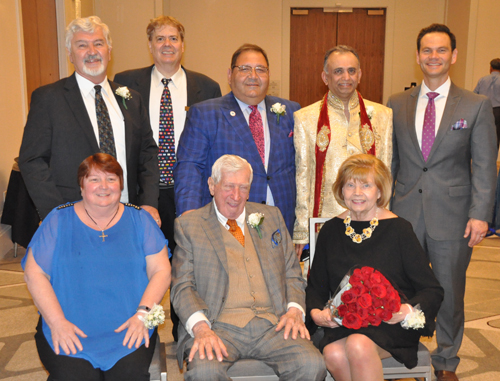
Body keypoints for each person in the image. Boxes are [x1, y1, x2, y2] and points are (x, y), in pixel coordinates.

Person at [388, 24, 497, 381]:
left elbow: (484, 165)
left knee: (450, 290)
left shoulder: (476, 105)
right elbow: (391, 162)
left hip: (453, 216)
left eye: (441, 50)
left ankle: (446, 360)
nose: (433, 56)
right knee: (401, 286)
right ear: (417, 55)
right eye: (426, 50)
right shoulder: (397, 103)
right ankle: (404, 351)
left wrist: (480, 215)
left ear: (453, 55)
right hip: (403, 213)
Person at [114, 15, 221, 342]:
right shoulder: (124, 83)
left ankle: (184, 328)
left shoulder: (207, 87)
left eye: (173, 38)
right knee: (142, 260)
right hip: (143, 190)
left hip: (190, 191)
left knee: (189, 262)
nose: (167, 45)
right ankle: (138, 329)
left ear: (183, 45)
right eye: (159, 39)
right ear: (150, 45)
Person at [171, 154, 326, 381]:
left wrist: (294, 311)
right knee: (205, 372)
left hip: (273, 324)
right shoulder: (189, 225)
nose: (236, 196)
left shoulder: (270, 216)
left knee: (312, 365)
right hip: (217, 326)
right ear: (212, 186)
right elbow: (182, 286)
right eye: (229, 187)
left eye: (243, 187)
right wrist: (201, 329)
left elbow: (292, 273)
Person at [22, 153, 171, 380]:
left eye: (111, 179)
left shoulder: (140, 220)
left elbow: (161, 271)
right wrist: (57, 322)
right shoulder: (57, 219)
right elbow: (35, 274)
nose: (104, 186)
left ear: (120, 185)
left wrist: (143, 315)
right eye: (94, 179)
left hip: (129, 327)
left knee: (129, 376)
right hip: (68, 325)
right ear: (81, 185)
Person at [306, 154, 443, 381]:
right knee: (333, 353)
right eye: (350, 185)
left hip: (390, 323)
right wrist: (316, 313)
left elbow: (432, 289)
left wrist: (405, 311)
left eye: (366, 185)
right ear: (342, 191)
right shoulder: (331, 231)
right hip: (345, 322)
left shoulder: (399, 229)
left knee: (358, 345)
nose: (357, 193)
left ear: (379, 191)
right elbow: (316, 287)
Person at [19, 16, 159, 223]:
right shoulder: (49, 99)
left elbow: (147, 154)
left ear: (109, 51)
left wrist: (148, 203)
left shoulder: (131, 98)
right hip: (73, 216)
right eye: (82, 45)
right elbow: (32, 160)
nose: (92, 52)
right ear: (70, 54)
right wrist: (56, 213)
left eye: (98, 44)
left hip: (128, 213)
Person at [174, 44, 300, 235]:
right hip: (226, 222)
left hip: (281, 224)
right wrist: (189, 215)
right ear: (229, 75)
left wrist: (300, 228)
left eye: (260, 69)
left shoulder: (290, 111)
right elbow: (189, 167)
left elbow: (301, 168)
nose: (253, 75)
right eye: (244, 69)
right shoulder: (206, 113)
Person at [293, 45, 392, 258]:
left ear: (360, 75)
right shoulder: (305, 118)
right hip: (325, 221)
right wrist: (302, 231)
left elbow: (386, 173)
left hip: (370, 219)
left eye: (351, 70)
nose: (345, 77)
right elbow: (303, 177)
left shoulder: (383, 115)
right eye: (338, 71)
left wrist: (385, 223)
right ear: (325, 77)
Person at [474, 58, 500, 148]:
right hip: (498, 111)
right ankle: (493, 159)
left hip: (484, 109)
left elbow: (475, 95)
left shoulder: (482, 80)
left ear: (491, 68)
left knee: (483, 134)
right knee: (496, 136)